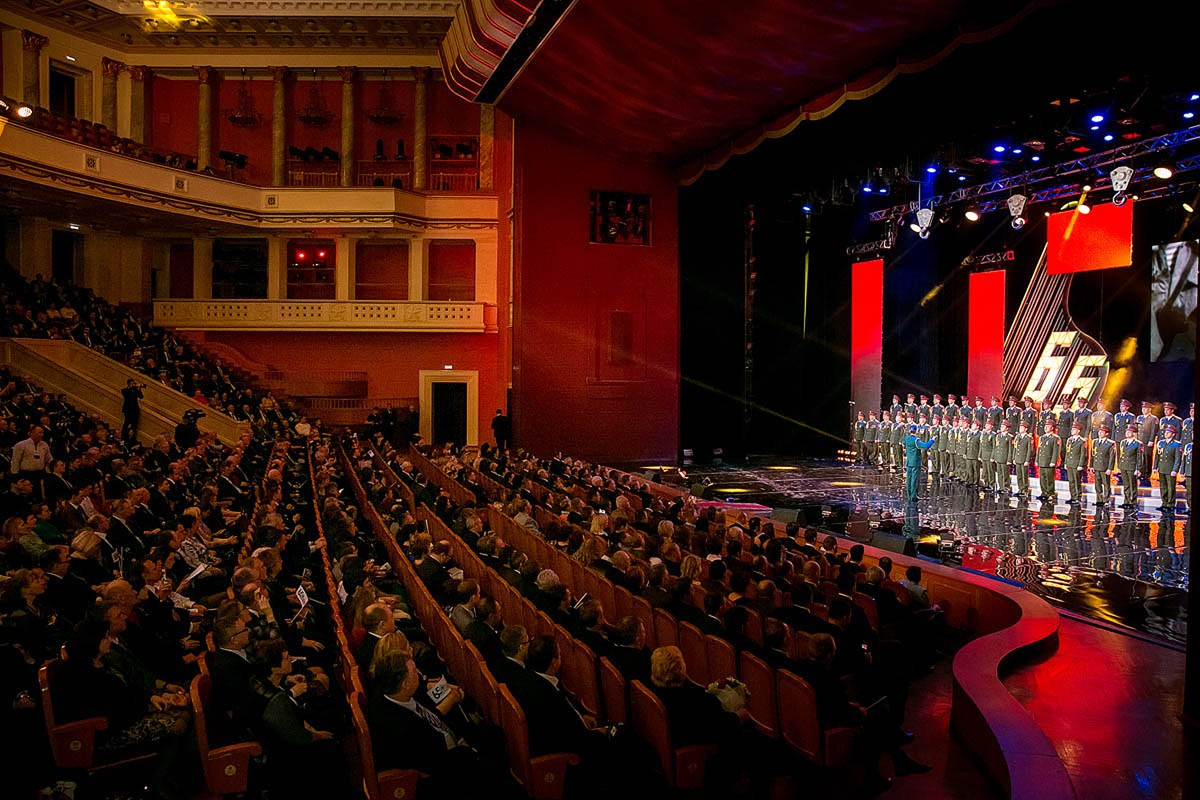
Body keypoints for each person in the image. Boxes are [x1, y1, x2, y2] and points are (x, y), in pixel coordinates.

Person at [10, 425, 51, 500]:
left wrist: (49, 472)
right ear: (32, 433)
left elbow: (49, 459)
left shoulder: (44, 445)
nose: (42, 435)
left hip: (39, 474)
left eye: (43, 433)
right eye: (40, 432)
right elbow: (15, 462)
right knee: (27, 498)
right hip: (26, 475)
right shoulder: (20, 445)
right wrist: (16, 478)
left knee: (39, 497)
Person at [901, 425, 936, 501]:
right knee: (914, 479)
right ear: (916, 431)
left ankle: (908, 494)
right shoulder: (916, 440)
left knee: (908, 479)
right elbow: (926, 446)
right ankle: (913, 496)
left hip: (909, 461)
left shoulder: (906, 439)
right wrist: (932, 440)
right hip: (915, 462)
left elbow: (903, 444)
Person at [1153, 425, 1182, 512]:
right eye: (1165, 432)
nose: (1166, 434)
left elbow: (1177, 459)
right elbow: (1157, 456)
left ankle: (1170, 504)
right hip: (1162, 468)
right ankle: (1164, 503)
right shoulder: (1161, 443)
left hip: (1170, 469)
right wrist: (1155, 467)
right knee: (1163, 487)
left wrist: (1175, 470)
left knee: (1171, 487)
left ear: (1173, 434)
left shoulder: (1176, 444)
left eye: (1168, 432)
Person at [1118, 424, 1144, 509]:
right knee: (1126, 485)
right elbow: (1121, 454)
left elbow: (1140, 457)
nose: (1127, 433)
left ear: (1133, 433)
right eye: (1127, 431)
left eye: (1130, 432)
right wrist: (1119, 465)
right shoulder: (1123, 442)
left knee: (1132, 485)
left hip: (1132, 467)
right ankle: (1126, 501)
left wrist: (1138, 468)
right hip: (1123, 466)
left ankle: (1133, 502)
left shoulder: (1138, 443)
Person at [1036, 420, 1061, 501]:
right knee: (1042, 478)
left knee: (1049, 478)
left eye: (1048, 426)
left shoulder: (1055, 438)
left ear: (1052, 428)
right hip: (1042, 460)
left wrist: (1053, 461)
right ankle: (1044, 492)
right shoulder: (1042, 437)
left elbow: (1055, 451)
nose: (1045, 427)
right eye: (1045, 425)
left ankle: (1050, 493)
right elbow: (1039, 450)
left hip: (1049, 461)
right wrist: (1037, 460)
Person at [1063, 422, 1087, 504]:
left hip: (1076, 464)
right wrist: (1065, 462)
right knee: (1071, 481)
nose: (1072, 431)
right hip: (1070, 463)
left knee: (1077, 481)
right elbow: (1067, 452)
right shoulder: (1069, 440)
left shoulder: (1082, 441)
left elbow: (1083, 454)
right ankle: (1072, 496)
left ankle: (1078, 497)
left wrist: (1080, 465)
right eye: (1072, 429)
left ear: (1078, 431)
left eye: (1074, 429)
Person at [1011, 420, 1033, 497]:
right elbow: (1015, 448)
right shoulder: (1017, 437)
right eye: (1020, 427)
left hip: (1024, 459)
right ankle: (1020, 489)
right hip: (1017, 458)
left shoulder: (1028, 438)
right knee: (1019, 475)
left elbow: (1030, 450)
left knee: (1024, 475)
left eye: (1022, 427)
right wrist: (1014, 458)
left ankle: (1025, 490)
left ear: (1026, 429)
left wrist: (1027, 460)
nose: (1020, 429)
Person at [120, 379, 144, 443]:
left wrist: (139, 389)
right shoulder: (124, 390)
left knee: (134, 425)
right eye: (132, 383)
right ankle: (123, 437)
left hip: (135, 410)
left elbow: (141, 397)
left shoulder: (135, 390)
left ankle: (133, 439)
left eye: (134, 383)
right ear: (128, 384)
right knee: (126, 423)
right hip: (128, 410)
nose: (133, 385)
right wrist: (133, 389)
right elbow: (128, 396)